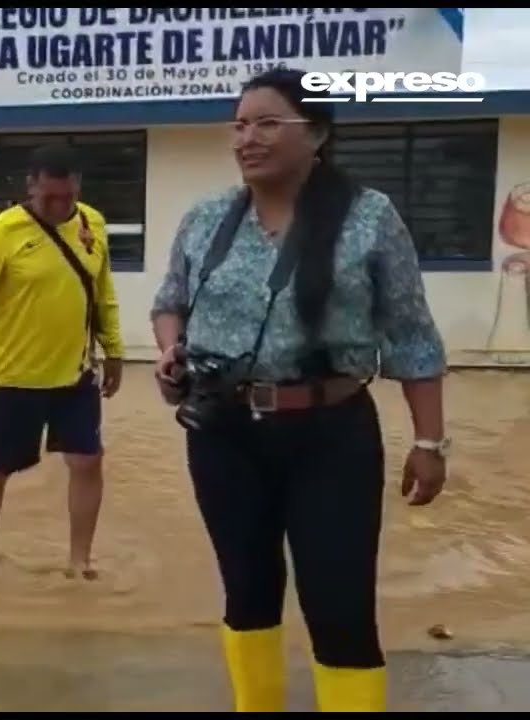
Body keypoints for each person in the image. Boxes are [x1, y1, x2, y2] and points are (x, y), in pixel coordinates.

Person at [148, 68, 449, 713]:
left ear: (316, 133)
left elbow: (412, 336)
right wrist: (170, 349)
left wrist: (429, 441)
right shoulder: (205, 220)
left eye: (266, 123)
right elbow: (169, 302)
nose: (246, 138)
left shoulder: (369, 218)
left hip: (330, 434)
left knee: (340, 606)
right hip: (223, 433)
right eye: (238, 124)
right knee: (248, 592)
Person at [0, 143, 125, 578]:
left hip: (76, 374)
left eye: (67, 197)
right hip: (14, 376)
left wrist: (114, 350)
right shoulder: (3, 230)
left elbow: (103, 293)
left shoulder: (94, 223)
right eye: (48, 197)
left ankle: (79, 560)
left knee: (88, 461)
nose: (59, 206)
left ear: (78, 187)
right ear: (30, 187)